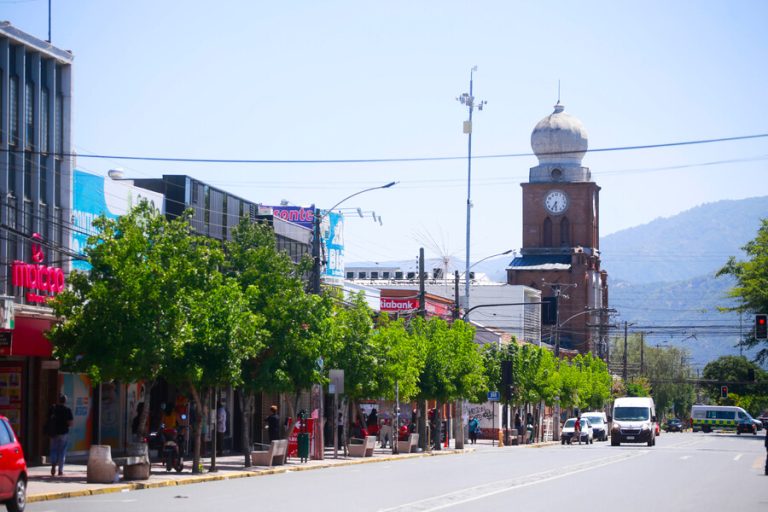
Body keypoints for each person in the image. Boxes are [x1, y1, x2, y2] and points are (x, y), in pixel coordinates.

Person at [48, 394, 74, 477]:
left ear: (58, 400)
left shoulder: (53, 409)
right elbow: (70, 423)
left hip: (54, 432)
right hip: (64, 433)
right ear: (65, 401)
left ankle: (53, 465)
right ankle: (60, 470)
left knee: (53, 449)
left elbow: (48, 419)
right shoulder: (67, 410)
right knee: (62, 451)